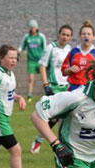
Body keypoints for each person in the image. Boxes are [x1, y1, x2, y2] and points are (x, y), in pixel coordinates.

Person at [30, 24, 73, 154]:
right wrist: (46, 85)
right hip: (53, 87)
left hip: (66, 87)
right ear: (58, 34)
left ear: (70, 37)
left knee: (66, 117)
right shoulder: (51, 48)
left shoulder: (69, 49)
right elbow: (42, 66)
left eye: (68, 35)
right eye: (63, 34)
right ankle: (39, 140)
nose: (65, 37)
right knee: (54, 117)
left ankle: (63, 144)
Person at [61, 20, 95, 92]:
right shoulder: (73, 52)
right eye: (84, 34)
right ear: (80, 36)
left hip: (90, 88)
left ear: (93, 37)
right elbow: (64, 72)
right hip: (74, 88)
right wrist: (70, 69)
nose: (86, 35)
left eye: (89, 34)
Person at [18, 19, 47, 102]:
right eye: (31, 27)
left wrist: (45, 59)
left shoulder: (41, 37)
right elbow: (21, 46)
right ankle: (29, 95)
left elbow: (45, 48)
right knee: (31, 78)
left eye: (34, 27)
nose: (32, 29)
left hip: (40, 60)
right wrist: (18, 51)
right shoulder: (27, 37)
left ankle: (46, 93)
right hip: (31, 61)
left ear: (37, 28)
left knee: (44, 77)